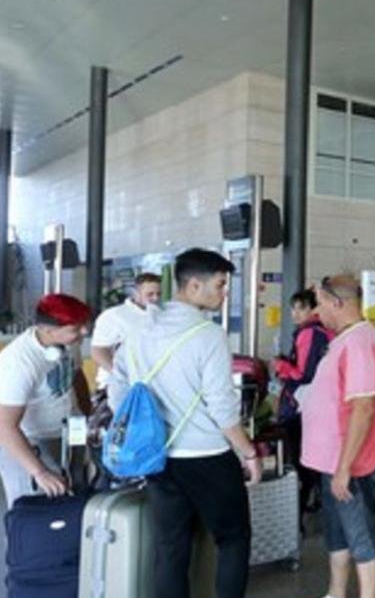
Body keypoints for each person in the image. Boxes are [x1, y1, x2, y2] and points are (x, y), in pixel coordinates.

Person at [109, 249, 262, 598]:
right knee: (233, 538)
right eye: (221, 285)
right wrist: (248, 452)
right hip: (208, 456)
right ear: (194, 285)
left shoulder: (138, 331)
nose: (225, 294)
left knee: (171, 547)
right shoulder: (208, 336)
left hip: (158, 456)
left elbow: (119, 391)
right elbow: (222, 408)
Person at [303, 274, 375, 598]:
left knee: (360, 534)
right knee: (337, 531)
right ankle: (336, 591)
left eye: (321, 303)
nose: (317, 311)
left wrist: (344, 467)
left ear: (338, 303)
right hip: (332, 458)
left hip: (351, 460)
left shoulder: (359, 342)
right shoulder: (345, 338)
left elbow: (364, 407)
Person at [0, 294, 91, 507]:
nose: (84, 332)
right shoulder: (17, 363)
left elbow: (77, 377)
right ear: (48, 330)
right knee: (33, 509)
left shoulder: (68, 343)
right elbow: (4, 427)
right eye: (75, 328)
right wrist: (39, 472)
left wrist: (87, 417)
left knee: (68, 502)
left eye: (83, 325)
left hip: (63, 433)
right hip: (24, 440)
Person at [272, 289, 333, 515]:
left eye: (302, 308)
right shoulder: (326, 332)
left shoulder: (309, 333)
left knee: (298, 455)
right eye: (294, 308)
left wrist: (281, 366)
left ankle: (300, 505)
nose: (295, 313)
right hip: (318, 402)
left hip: (300, 404)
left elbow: (304, 374)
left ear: (314, 309)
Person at [90, 272, 161, 388]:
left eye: (158, 294)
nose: (155, 298)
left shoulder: (159, 314)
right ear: (136, 293)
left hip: (150, 381)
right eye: (150, 294)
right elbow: (98, 351)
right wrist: (121, 376)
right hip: (118, 384)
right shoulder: (114, 316)